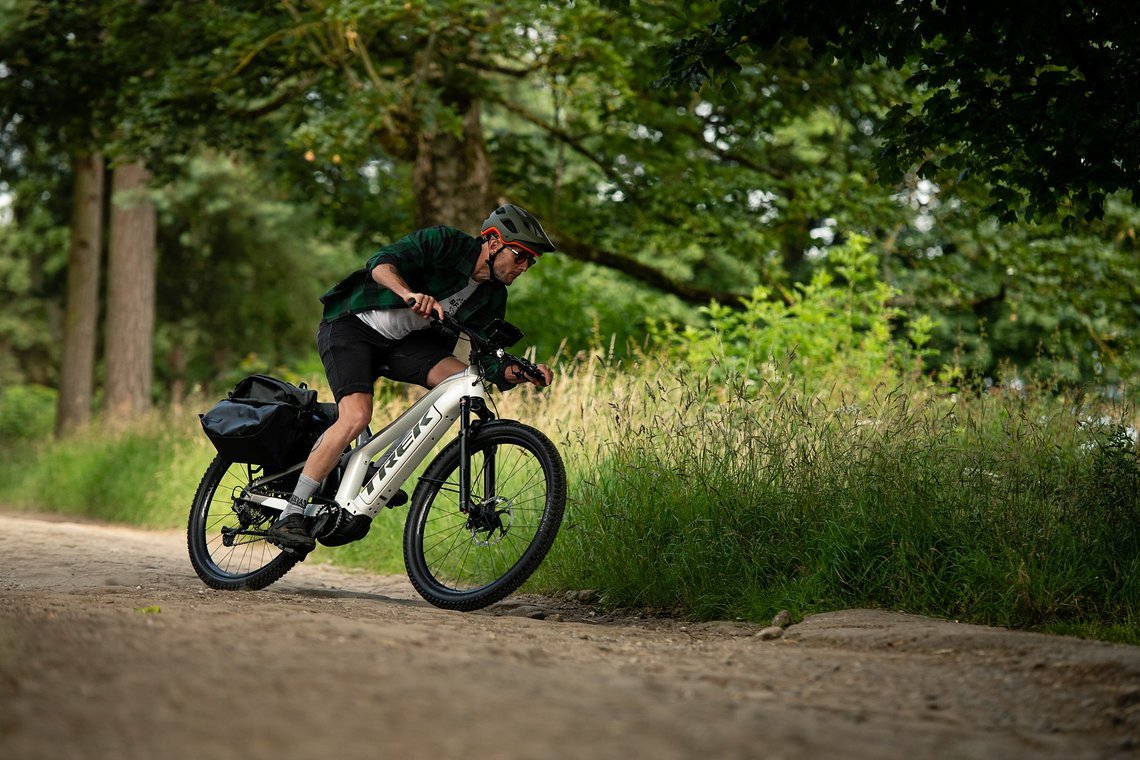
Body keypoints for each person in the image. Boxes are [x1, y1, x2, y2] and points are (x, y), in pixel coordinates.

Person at [266, 203, 556, 555]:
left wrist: (521, 373)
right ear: (493, 243)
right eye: (521, 255)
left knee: (465, 380)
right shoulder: (445, 242)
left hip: (404, 346)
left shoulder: (494, 296)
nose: (524, 266)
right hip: (353, 326)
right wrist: (408, 294)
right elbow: (382, 264)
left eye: (531, 262)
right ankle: (293, 511)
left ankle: (385, 464)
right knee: (356, 416)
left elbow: (486, 358)